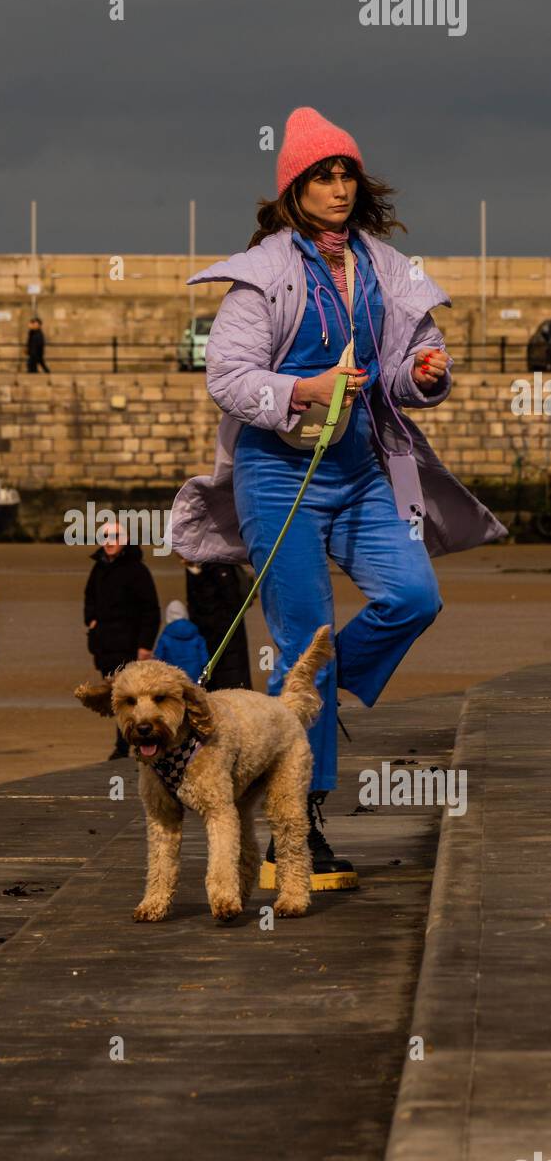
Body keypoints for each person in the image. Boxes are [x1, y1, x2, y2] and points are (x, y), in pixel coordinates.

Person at [171, 106, 506, 883]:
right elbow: (227, 377)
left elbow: (402, 365)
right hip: (277, 475)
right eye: (321, 174)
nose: (337, 186)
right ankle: (300, 828)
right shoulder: (262, 275)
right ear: (293, 187)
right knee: (303, 640)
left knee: (412, 597)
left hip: (360, 475)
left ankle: (307, 696)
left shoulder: (386, 268)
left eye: (346, 172)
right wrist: (304, 389)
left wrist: (425, 374)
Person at [83, 523, 160, 759]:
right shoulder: (99, 568)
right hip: (105, 646)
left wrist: (145, 646)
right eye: (105, 536)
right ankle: (123, 744)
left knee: (130, 697)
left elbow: (151, 611)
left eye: (114, 536)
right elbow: (89, 598)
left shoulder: (137, 570)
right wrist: (91, 621)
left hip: (129, 647)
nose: (109, 541)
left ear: (124, 540)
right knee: (115, 698)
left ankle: (127, 744)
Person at [184, 560, 253, 690]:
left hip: (224, 632)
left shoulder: (216, 564)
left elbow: (231, 600)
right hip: (215, 632)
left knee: (231, 678)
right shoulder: (195, 566)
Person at [153, 599, 209, 683]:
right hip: (195, 675)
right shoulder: (196, 635)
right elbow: (205, 659)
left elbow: (158, 658)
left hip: (173, 675)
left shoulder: (165, 636)